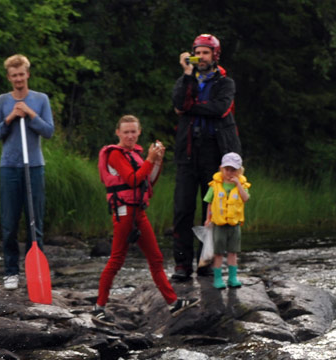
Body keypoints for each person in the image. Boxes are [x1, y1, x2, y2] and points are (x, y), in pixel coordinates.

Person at [94, 115, 197, 320]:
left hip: (138, 212)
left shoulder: (136, 154)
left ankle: (173, 303)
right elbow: (133, 180)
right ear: (118, 133)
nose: (130, 136)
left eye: (133, 132)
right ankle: (98, 308)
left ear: (139, 131)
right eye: (126, 132)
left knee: (156, 258)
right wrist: (150, 159)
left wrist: (156, 161)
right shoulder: (115, 154)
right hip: (124, 212)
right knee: (116, 260)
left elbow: (148, 180)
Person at [170, 33, 242, 282]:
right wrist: (187, 74)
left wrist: (189, 109)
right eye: (197, 53)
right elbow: (177, 101)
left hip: (216, 154)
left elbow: (219, 109)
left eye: (205, 53)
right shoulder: (186, 79)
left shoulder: (225, 83)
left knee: (212, 210)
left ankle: (206, 262)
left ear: (215, 56)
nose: (200, 57)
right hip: (188, 153)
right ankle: (181, 264)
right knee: (182, 209)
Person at [0, 54, 55, 291]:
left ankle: (33, 273)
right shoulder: (2, 101)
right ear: (9, 77)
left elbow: (48, 131)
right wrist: (11, 117)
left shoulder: (40, 99)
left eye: (21, 74)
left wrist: (31, 114)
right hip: (9, 167)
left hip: (34, 166)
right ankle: (11, 272)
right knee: (9, 223)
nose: (18, 79)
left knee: (34, 223)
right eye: (14, 75)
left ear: (27, 74)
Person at [203, 152, 251, 289]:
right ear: (221, 169)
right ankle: (218, 279)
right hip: (219, 224)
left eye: (233, 170)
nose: (230, 172)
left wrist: (238, 185)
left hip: (234, 224)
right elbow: (209, 203)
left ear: (239, 171)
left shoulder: (242, 185)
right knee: (218, 252)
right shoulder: (215, 185)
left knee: (233, 252)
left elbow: (245, 198)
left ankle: (232, 278)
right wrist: (208, 219)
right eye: (227, 169)